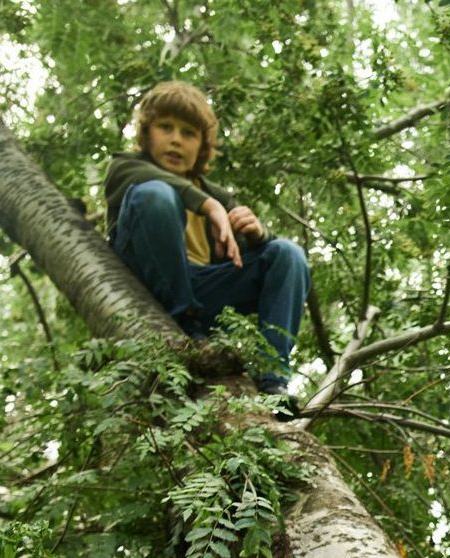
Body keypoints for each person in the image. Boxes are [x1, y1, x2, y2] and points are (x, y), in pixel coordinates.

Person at [103, 81, 310, 403]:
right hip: (145, 280)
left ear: (202, 145)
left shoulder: (217, 195)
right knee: (157, 194)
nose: (175, 139)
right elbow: (154, 191)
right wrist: (208, 206)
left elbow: (245, 255)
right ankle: (186, 325)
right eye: (165, 127)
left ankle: (273, 381)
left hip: (202, 293)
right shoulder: (127, 167)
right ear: (146, 134)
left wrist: (258, 235)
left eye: (188, 133)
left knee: (288, 254)